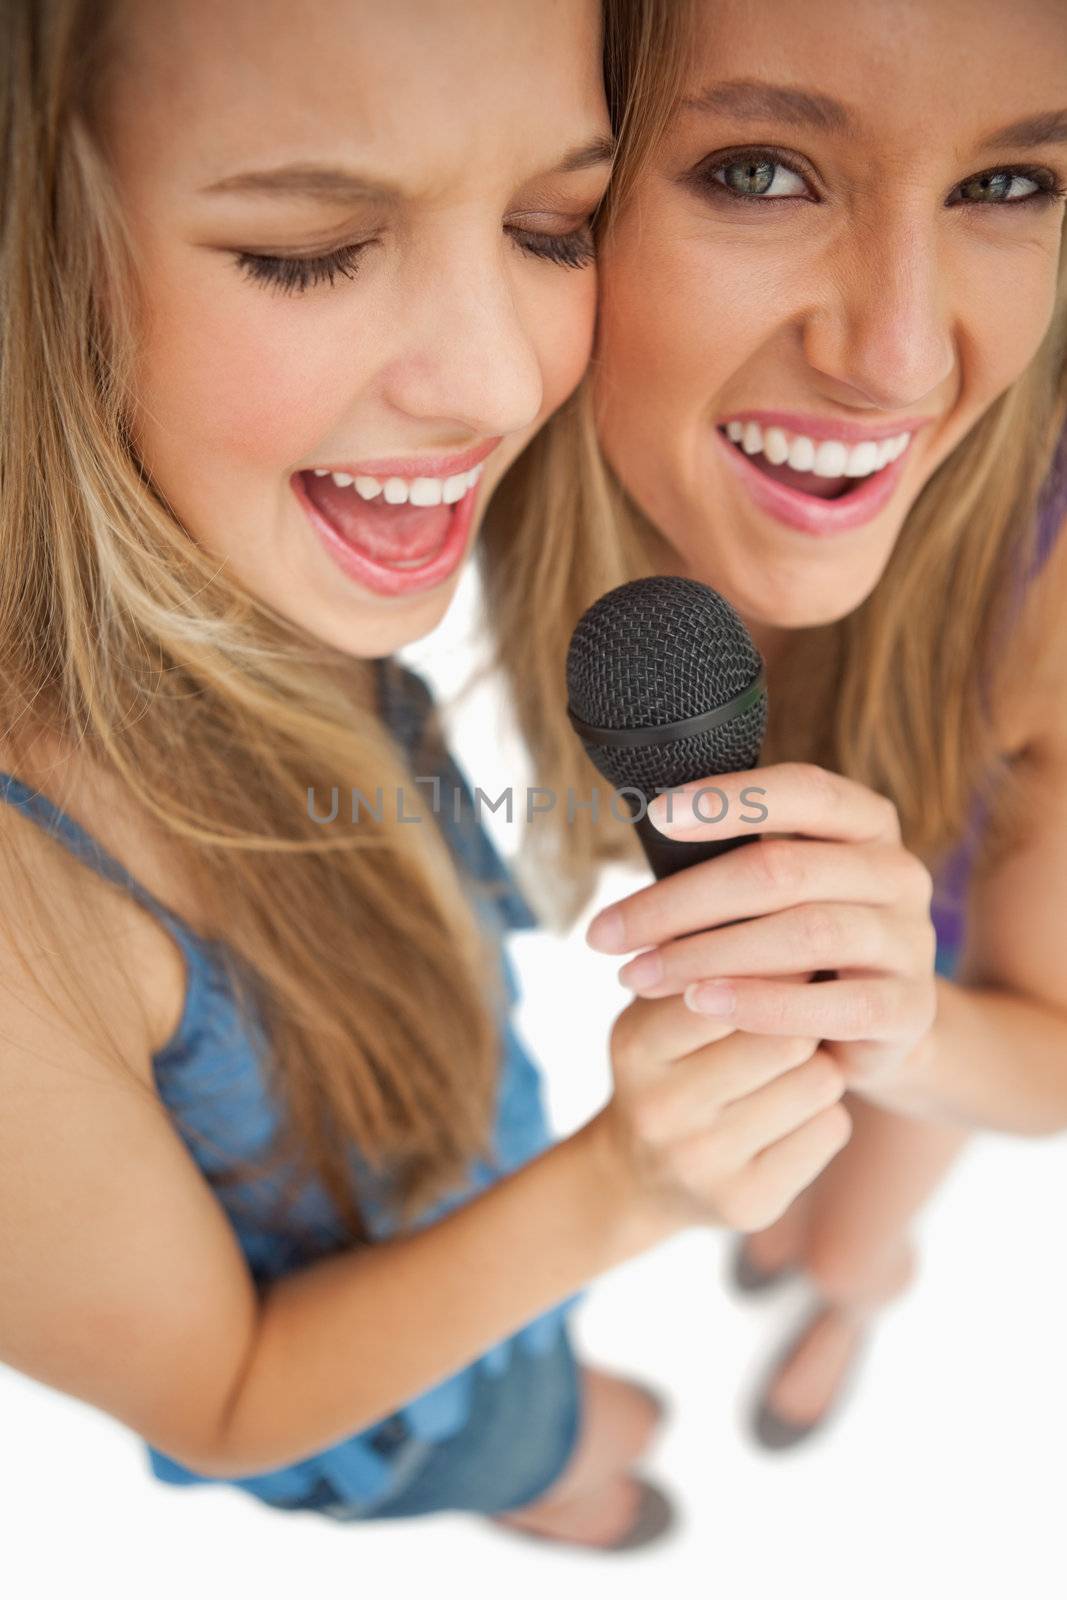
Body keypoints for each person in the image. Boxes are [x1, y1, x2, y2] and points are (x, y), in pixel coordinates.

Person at [0, 0, 856, 1557]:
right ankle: (547, 1478)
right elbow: (229, 1396)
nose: (492, 385)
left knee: (558, 1370)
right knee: (562, 1429)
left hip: (483, 1192)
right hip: (381, 1401)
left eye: (554, 223)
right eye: (312, 248)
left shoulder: (257, 559)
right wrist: (620, 1192)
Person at [482, 0, 1067, 1448]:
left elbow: (1052, 1054)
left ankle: (856, 1299)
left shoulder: (1047, 581)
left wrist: (890, 1015)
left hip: (930, 966)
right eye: (760, 171)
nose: (899, 360)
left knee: (852, 1228)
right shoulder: (452, 435)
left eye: (1010, 184)